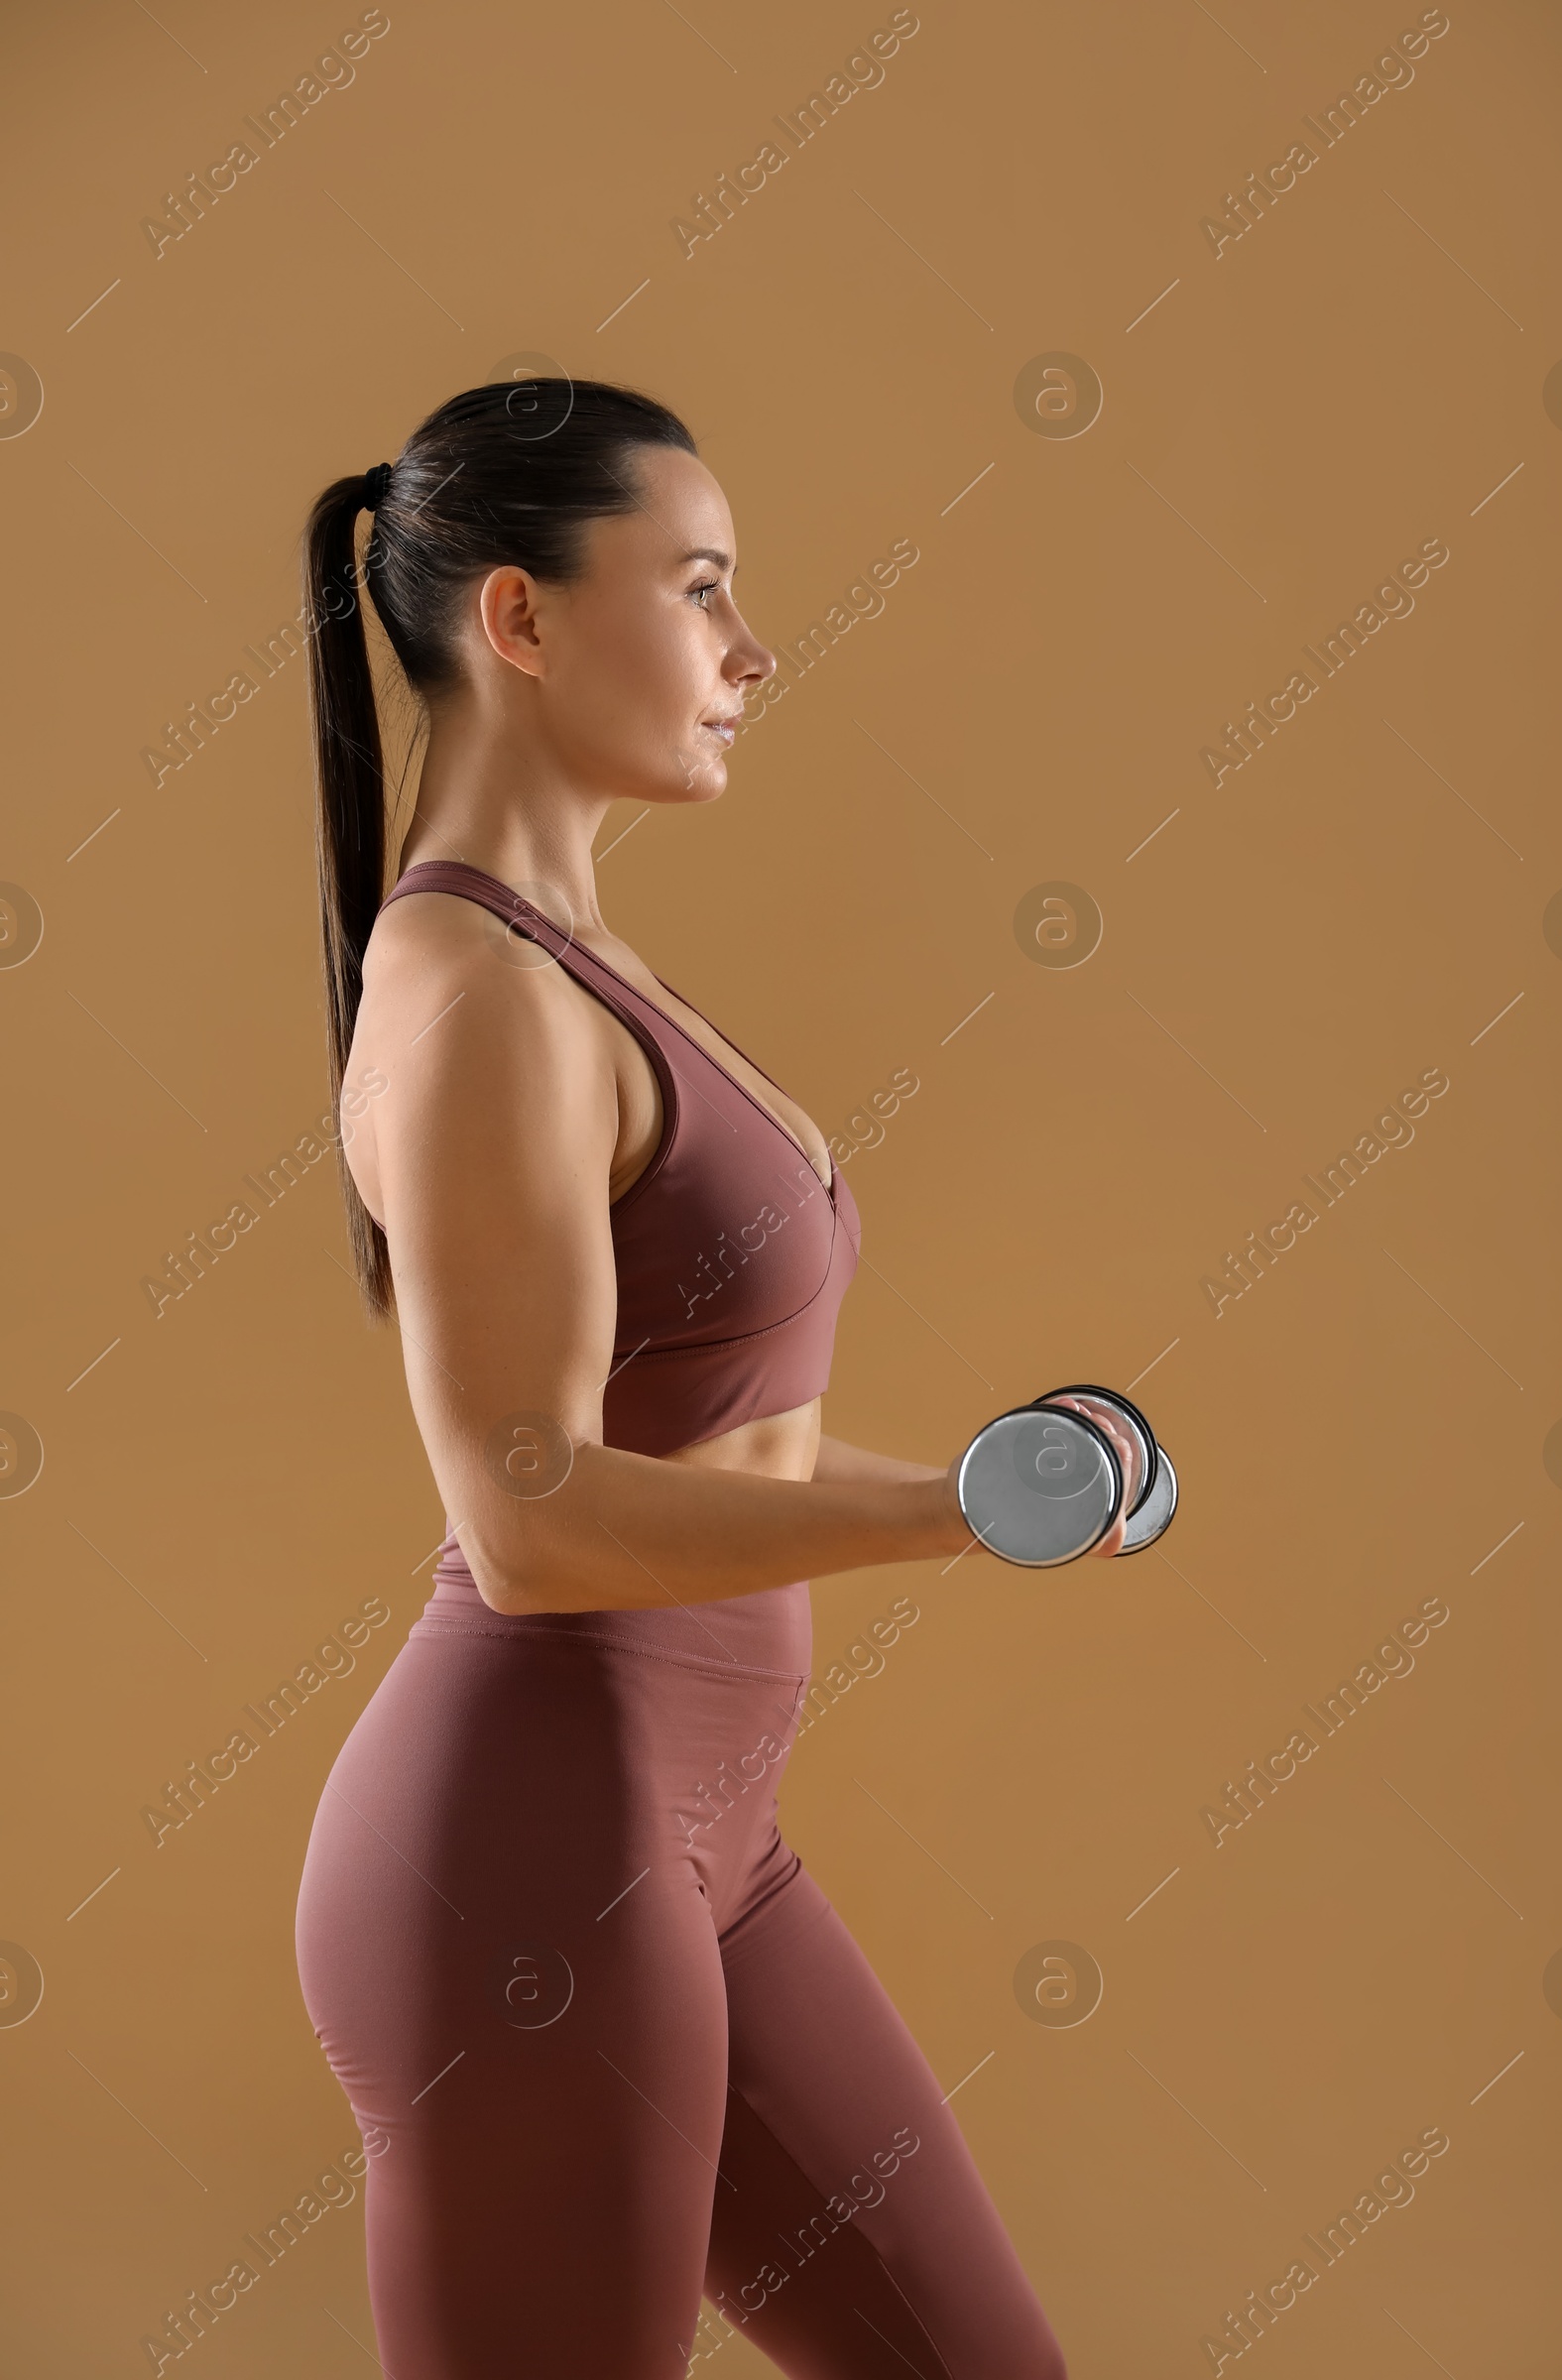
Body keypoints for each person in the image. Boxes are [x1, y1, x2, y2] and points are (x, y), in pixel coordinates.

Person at [293, 377, 1135, 2377]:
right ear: (516, 618)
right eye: (696, 589)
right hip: (531, 1863)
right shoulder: (479, 993)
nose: (750, 652)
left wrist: (1005, 1474)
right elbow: (530, 1518)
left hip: (700, 1845)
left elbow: (714, 1439)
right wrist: (956, 1516)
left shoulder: (581, 967)